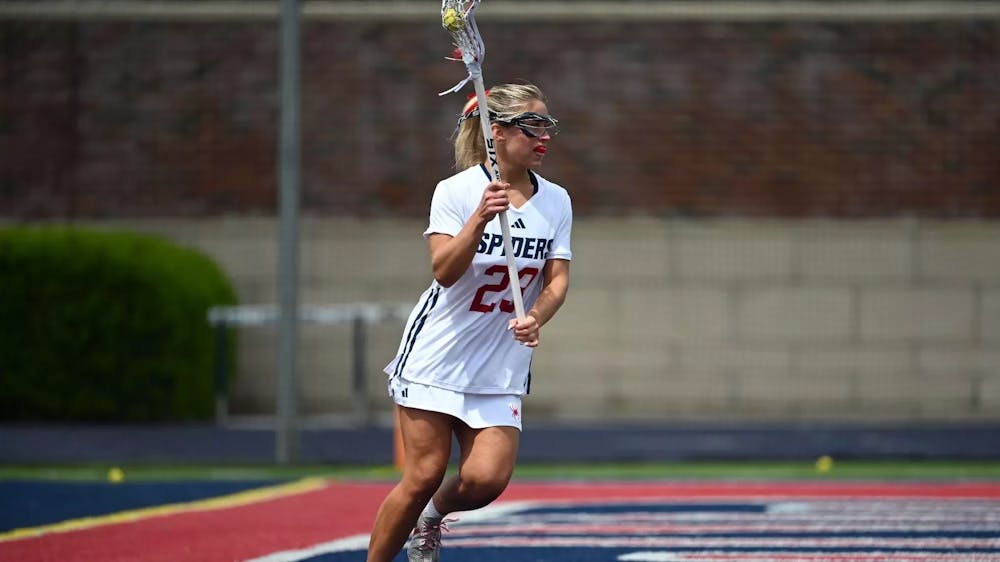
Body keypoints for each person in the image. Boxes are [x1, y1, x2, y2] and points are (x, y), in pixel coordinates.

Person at [365, 81, 572, 562]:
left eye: (548, 125)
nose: (544, 136)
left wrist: (536, 316)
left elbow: (557, 280)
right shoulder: (456, 191)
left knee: (486, 480)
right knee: (423, 474)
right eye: (532, 125)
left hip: (500, 363)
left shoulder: (557, 200)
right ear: (496, 131)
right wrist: (479, 218)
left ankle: (431, 517)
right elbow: (444, 270)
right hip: (439, 355)